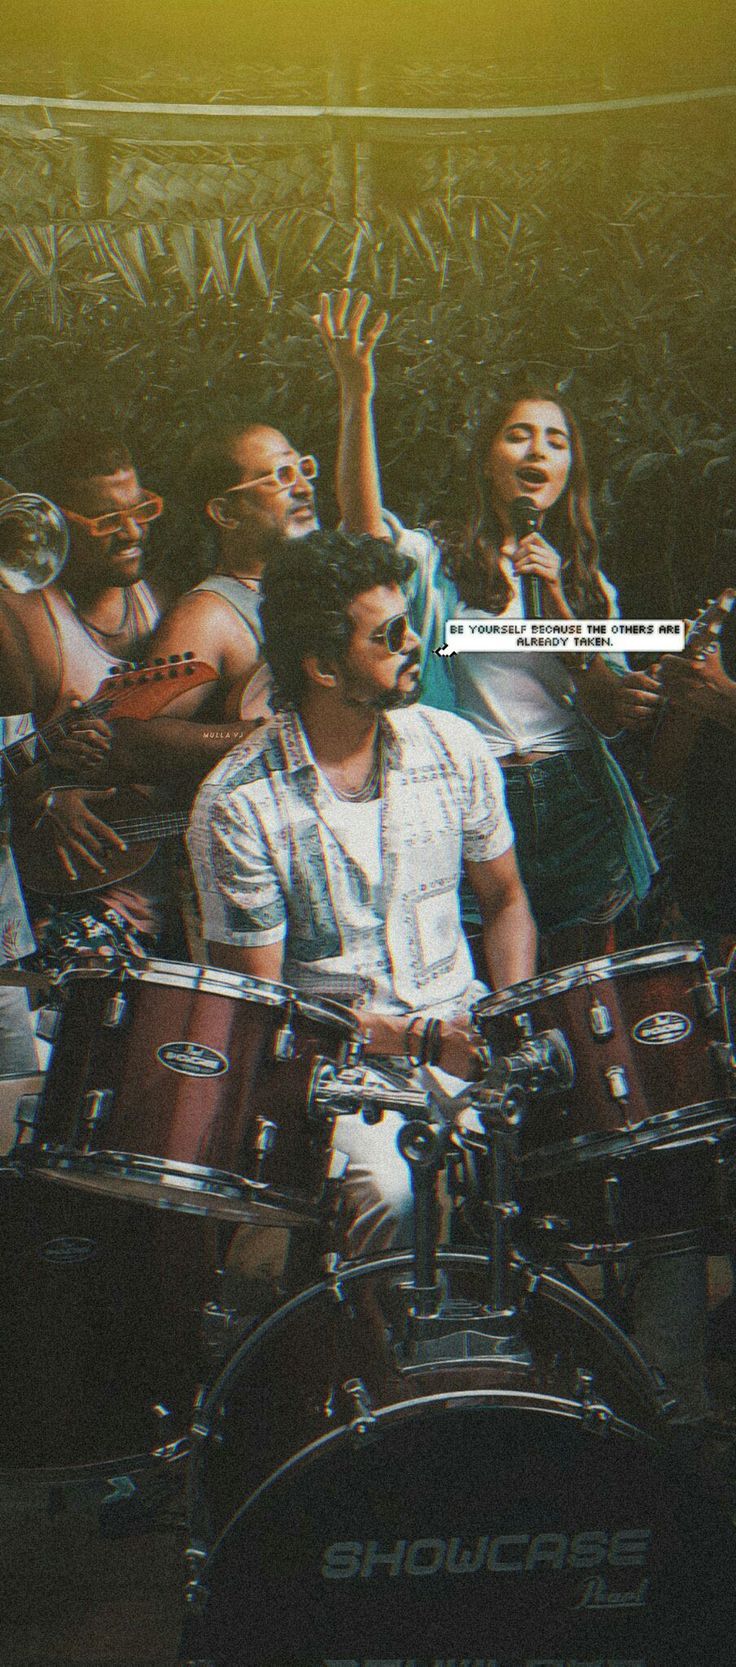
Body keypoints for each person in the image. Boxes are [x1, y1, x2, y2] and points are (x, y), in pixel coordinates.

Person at [187, 530, 537, 1254]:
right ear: (320, 664)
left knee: (607, 1142)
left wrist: (510, 1020)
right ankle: (365, 1361)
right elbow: (261, 1008)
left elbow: (504, 901)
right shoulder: (239, 804)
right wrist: (413, 1039)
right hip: (335, 1067)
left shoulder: (454, 745)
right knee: (389, 1191)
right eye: (389, 636)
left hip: (469, 1033)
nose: (416, 643)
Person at [315, 291, 661, 970]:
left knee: (583, 1003)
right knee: (492, 993)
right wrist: (357, 393)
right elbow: (361, 530)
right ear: (488, 459)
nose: (538, 449)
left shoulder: (590, 586)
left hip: (576, 802)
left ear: (567, 475)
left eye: (556, 441)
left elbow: (608, 716)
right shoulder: (435, 563)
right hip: (475, 797)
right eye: (519, 434)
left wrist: (558, 598)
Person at [148, 422, 327, 723]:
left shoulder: (316, 582)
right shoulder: (206, 616)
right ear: (225, 513)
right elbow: (141, 735)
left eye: (302, 470)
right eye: (281, 476)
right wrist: (254, 738)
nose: (304, 488)